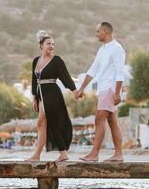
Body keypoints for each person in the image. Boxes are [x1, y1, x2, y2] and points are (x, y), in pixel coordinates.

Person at [74, 22, 126, 162]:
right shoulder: (102, 50)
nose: (96, 34)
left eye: (98, 31)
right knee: (112, 121)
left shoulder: (116, 48)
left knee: (99, 119)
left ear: (105, 31)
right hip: (103, 89)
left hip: (110, 88)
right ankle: (118, 154)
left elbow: (120, 73)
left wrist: (117, 93)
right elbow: (92, 71)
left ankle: (94, 154)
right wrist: (81, 88)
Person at [27, 30, 77, 163]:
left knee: (49, 123)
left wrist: (74, 90)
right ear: (41, 45)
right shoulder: (36, 61)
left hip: (53, 94)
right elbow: (34, 80)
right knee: (41, 123)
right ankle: (44, 154)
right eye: (48, 43)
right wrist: (34, 98)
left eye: (53, 44)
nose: (51, 46)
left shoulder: (57, 61)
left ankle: (53, 153)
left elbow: (65, 77)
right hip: (41, 95)